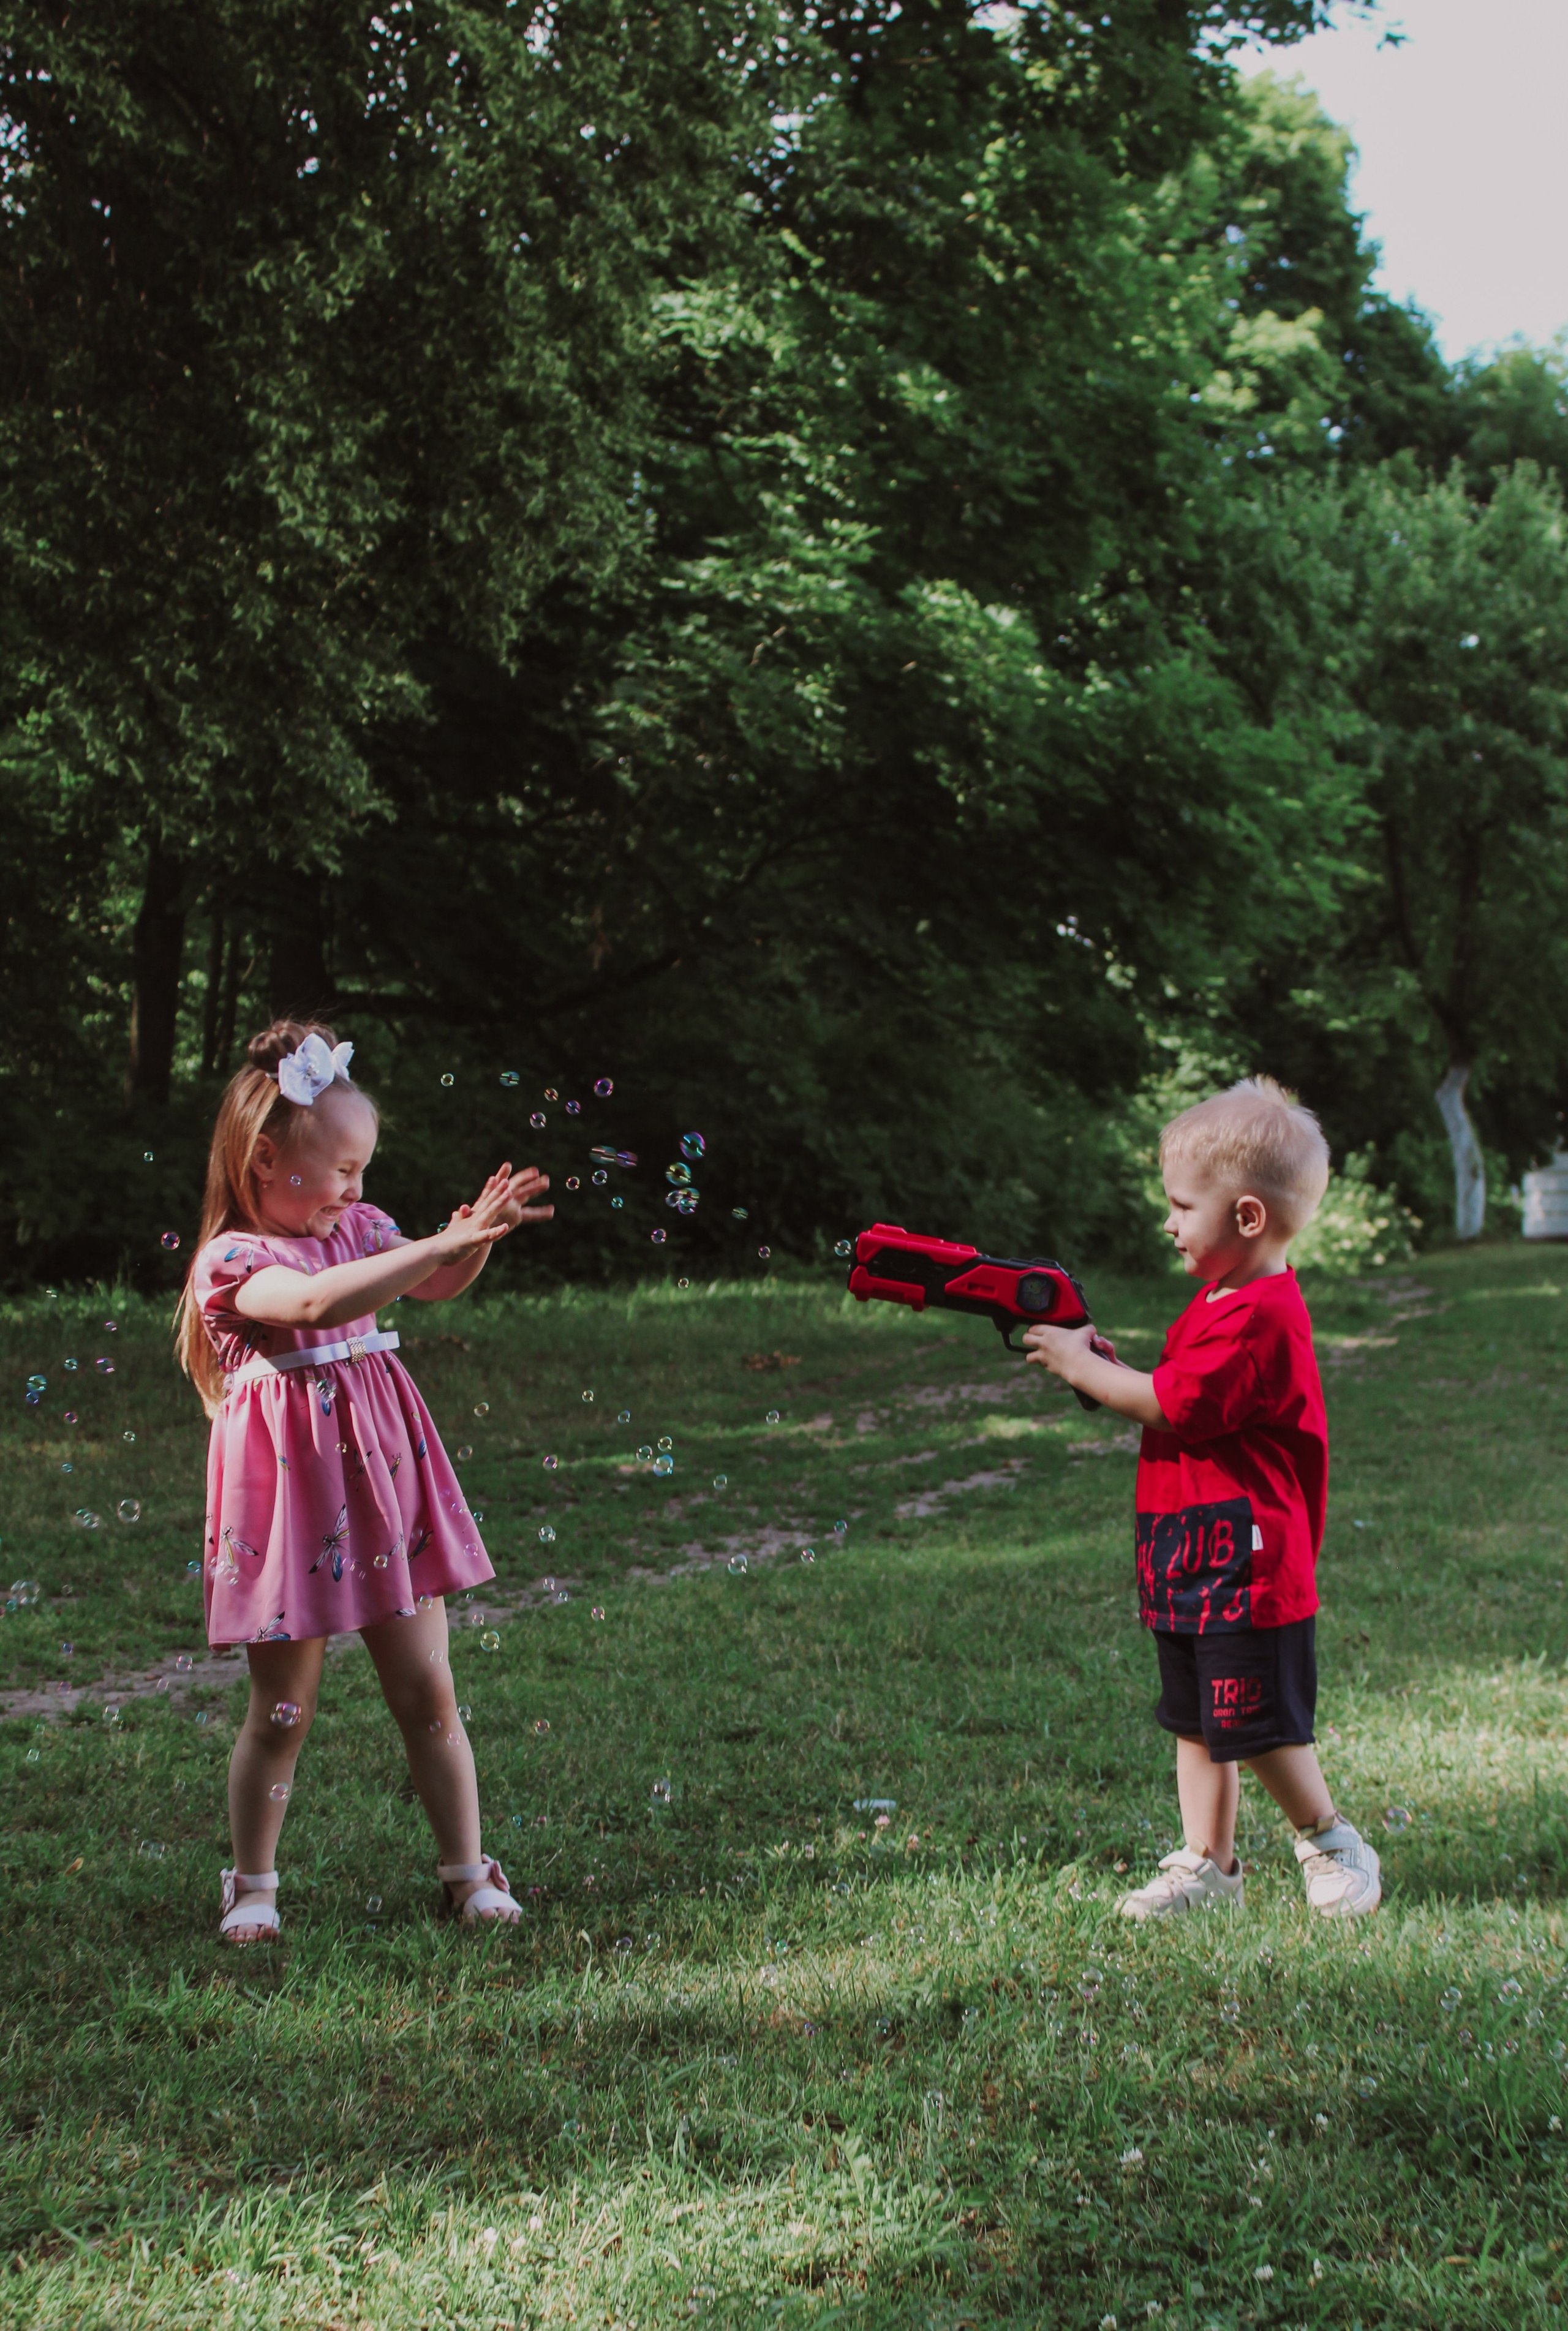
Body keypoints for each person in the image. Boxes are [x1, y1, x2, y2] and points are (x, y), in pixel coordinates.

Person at [176, 1020, 553, 1944]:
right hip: (292, 1512)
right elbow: (311, 1305)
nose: (357, 1190)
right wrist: (434, 1245)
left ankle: (469, 1872)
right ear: (267, 1160)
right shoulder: (233, 1262)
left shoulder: (362, 1230)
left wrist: (474, 1238)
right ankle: (254, 1883)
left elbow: (434, 1285)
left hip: (382, 1492)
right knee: (283, 1708)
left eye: (364, 1169)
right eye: (343, 1169)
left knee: (428, 1690)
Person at [1023, 1075, 1381, 1921]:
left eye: (1183, 1206)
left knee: (1254, 1722)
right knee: (1195, 1720)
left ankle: (1330, 1840)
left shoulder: (1263, 1314)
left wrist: (1086, 1367)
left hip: (1250, 1564)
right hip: (1192, 1554)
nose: (1169, 1221)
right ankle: (1208, 1864)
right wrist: (1112, 1369)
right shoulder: (1222, 1298)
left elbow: (1170, 1402)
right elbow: (1175, 1391)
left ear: (1247, 1217)